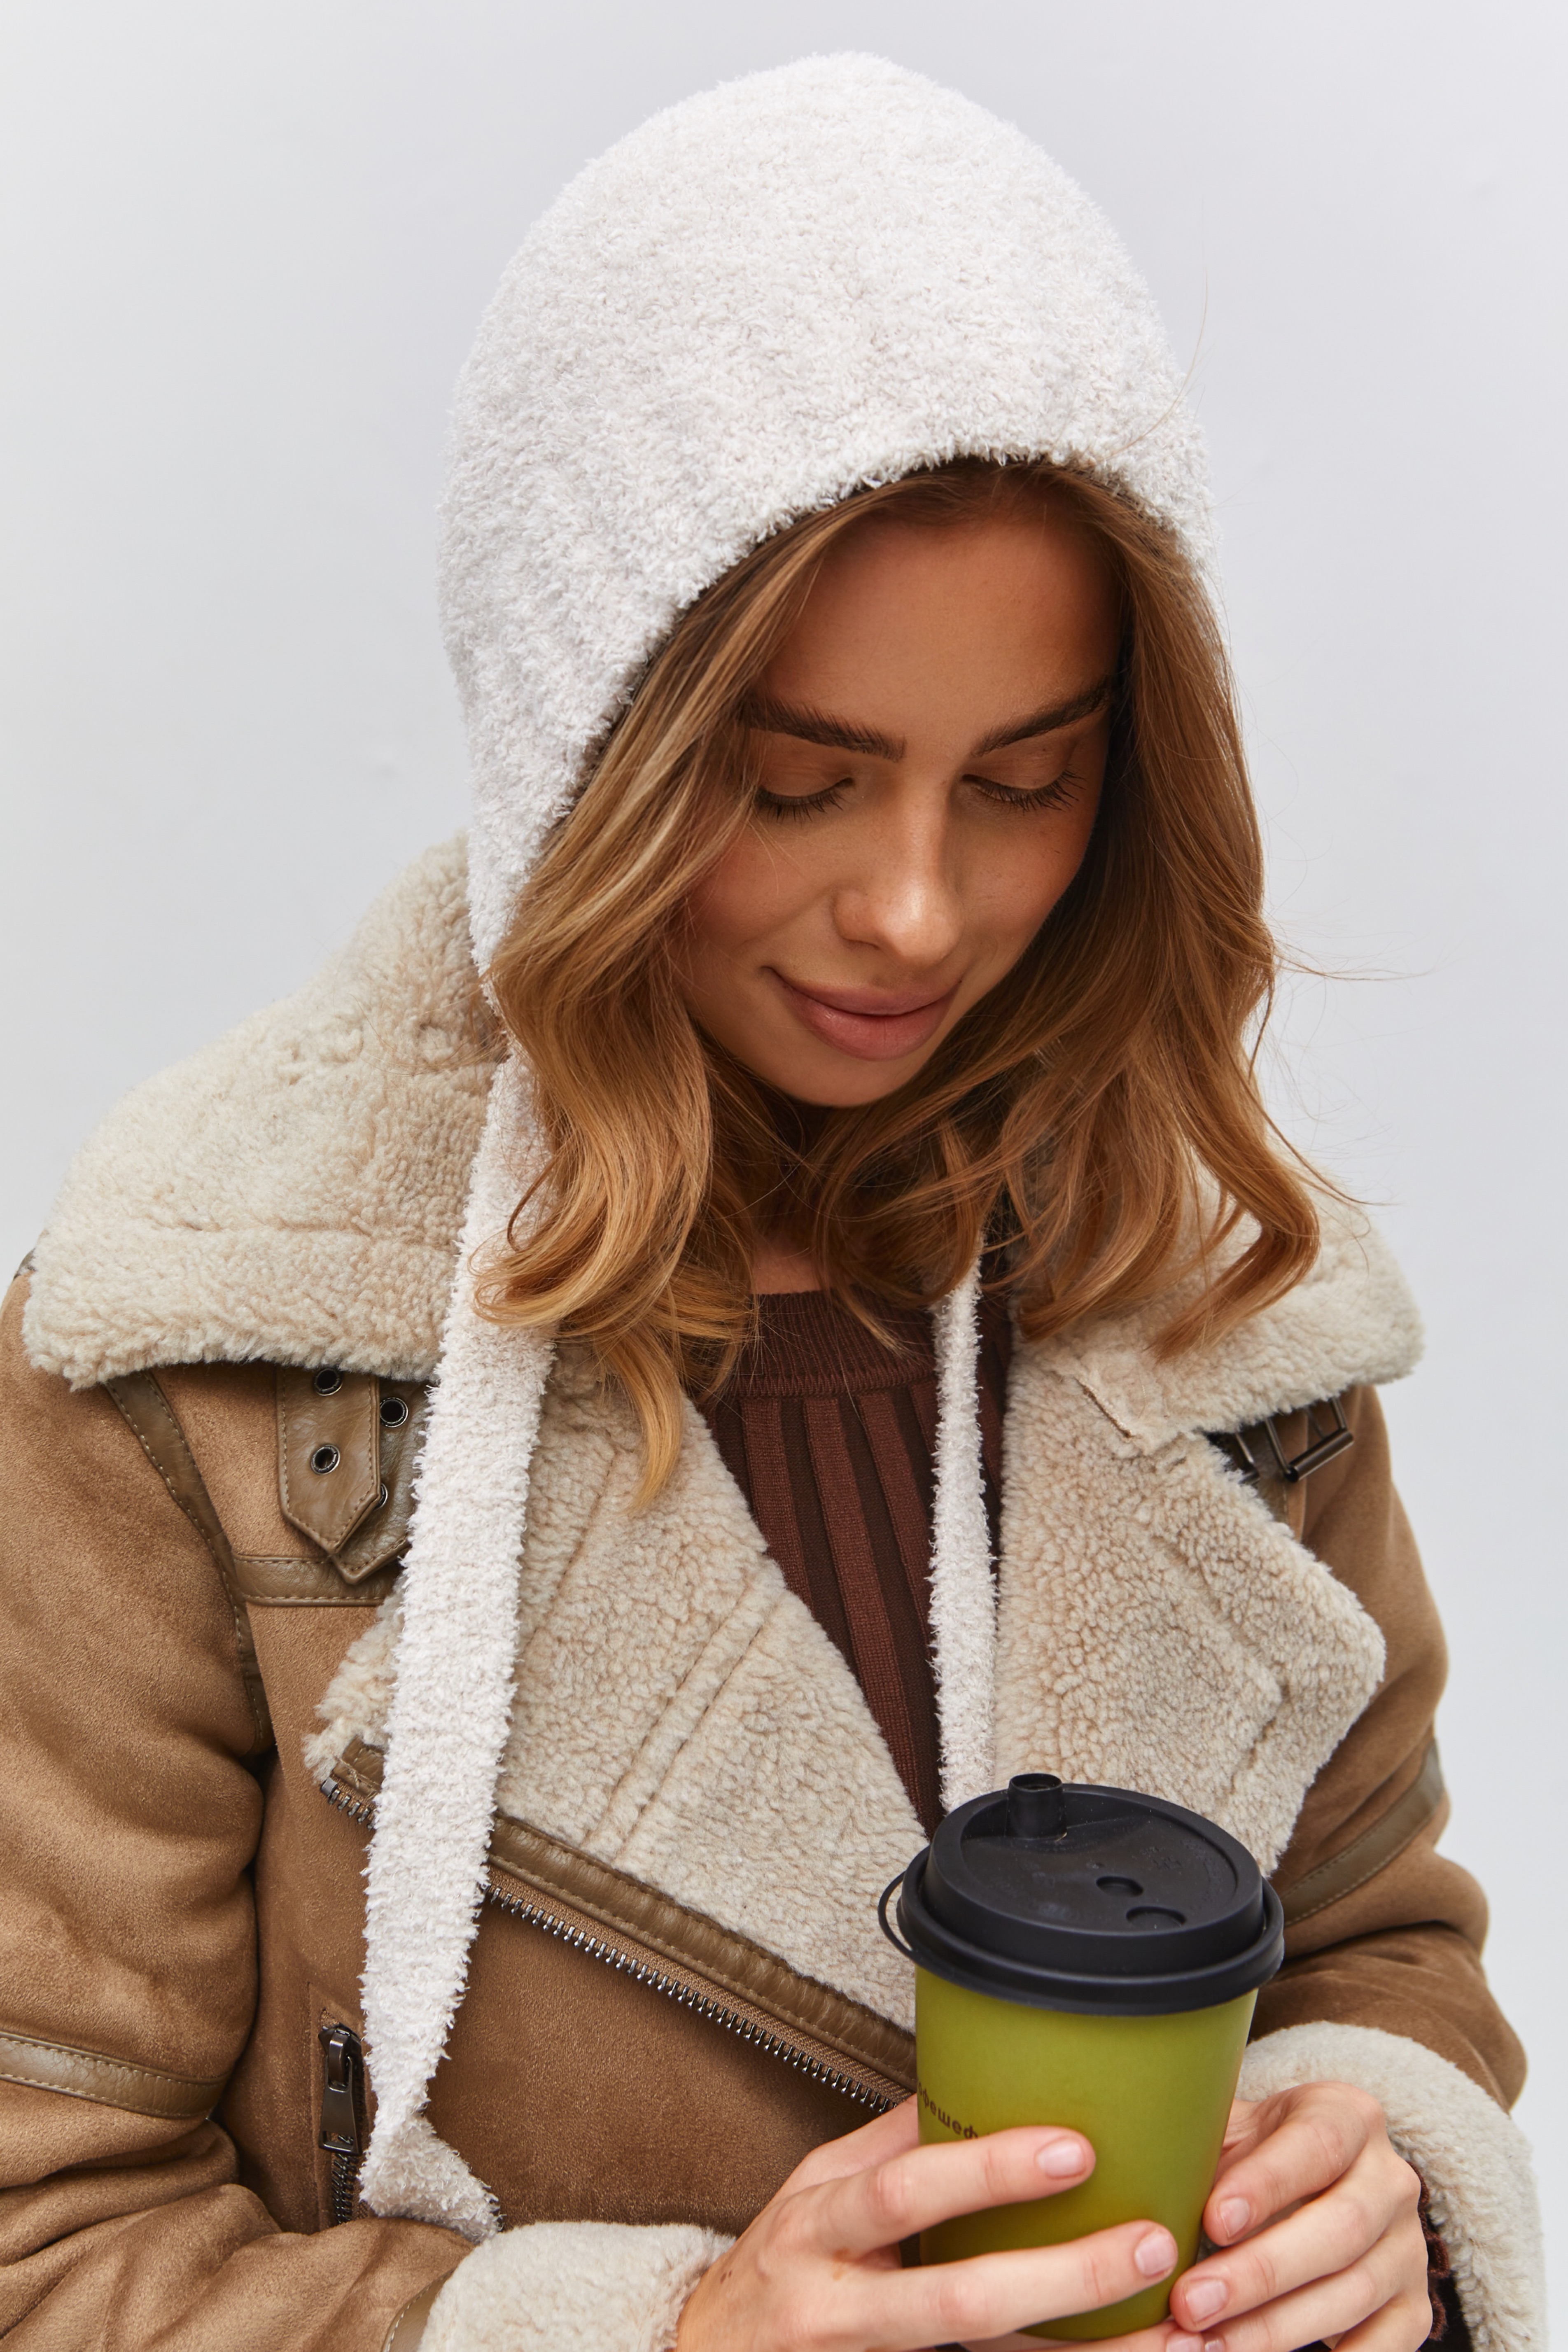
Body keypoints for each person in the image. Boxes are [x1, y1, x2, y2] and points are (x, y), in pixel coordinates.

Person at [0, 54, 1542, 2352]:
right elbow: (44, 2246)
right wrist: (674, 2335)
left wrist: (1383, 2175)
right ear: (586, 745)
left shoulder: (1228, 1319)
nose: (915, 910)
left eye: (1024, 781)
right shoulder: (202, 1375)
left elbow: (1376, 1946)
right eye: (799, 781)